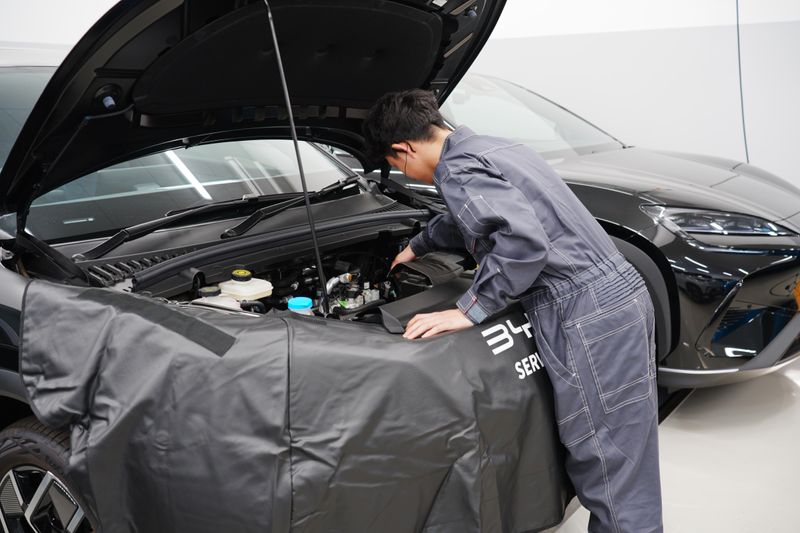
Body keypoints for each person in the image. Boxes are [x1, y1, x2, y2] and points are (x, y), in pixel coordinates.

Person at [362, 89, 663, 532]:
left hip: (584, 311)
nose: (408, 175)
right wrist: (419, 244)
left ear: (403, 149)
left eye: (398, 166)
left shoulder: (457, 170)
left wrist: (469, 310)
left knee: (606, 460)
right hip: (619, 295)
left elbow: (522, 241)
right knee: (627, 449)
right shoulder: (495, 148)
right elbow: (478, 215)